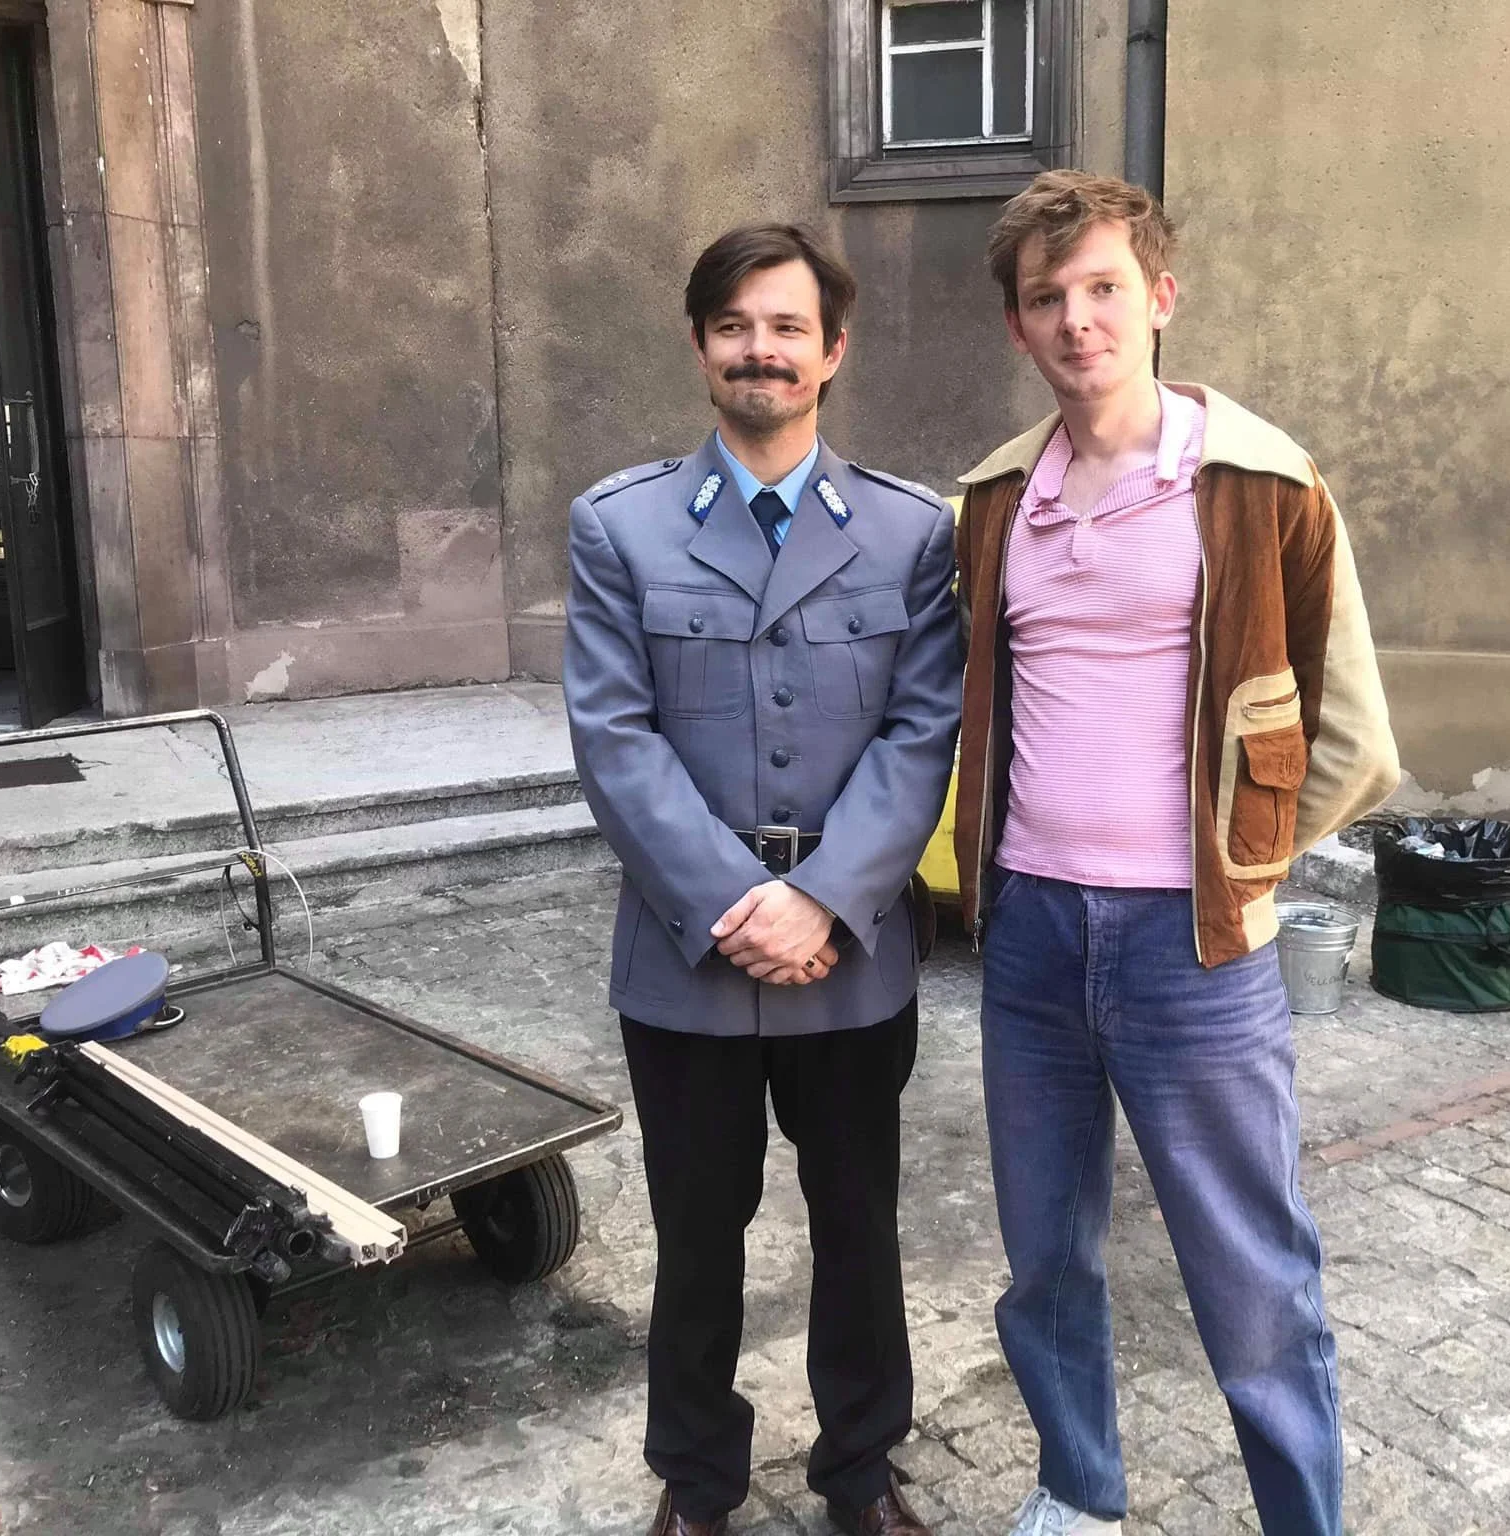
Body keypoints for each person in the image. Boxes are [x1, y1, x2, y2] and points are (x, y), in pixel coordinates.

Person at [949, 171, 1401, 1536]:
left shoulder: (1259, 483)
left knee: (1251, 1280)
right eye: (1046, 298)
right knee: (1044, 1259)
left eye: (1101, 288)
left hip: (1192, 946)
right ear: (1018, 326)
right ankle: (1077, 1490)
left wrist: (1240, 868)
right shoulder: (993, 500)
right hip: (1032, 932)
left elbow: (1352, 737)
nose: (1076, 320)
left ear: (1158, 297)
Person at [564, 223, 962, 1536]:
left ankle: (861, 1473)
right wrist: (739, 907)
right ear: (698, 345)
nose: (761, 350)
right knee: (695, 1240)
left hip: (849, 958)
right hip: (688, 960)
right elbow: (614, 738)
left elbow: (921, 733)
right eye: (734, 325)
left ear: (832, 351)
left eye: (787, 327)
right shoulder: (620, 527)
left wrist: (824, 900)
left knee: (858, 1230)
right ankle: (696, 1485)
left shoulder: (909, 534)